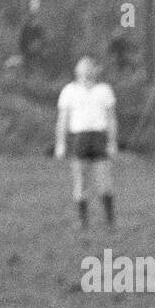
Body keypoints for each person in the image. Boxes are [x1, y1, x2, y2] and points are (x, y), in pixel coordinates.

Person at [54, 57, 118, 230]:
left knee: (104, 182)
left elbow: (111, 119)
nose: (86, 70)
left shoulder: (104, 90)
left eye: (89, 67)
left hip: (98, 138)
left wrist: (112, 142)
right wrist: (60, 143)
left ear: (95, 70)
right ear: (77, 71)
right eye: (83, 67)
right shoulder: (69, 91)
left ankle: (110, 221)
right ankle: (83, 222)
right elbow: (63, 119)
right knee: (80, 182)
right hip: (79, 139)